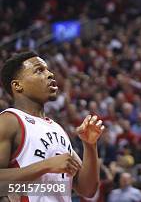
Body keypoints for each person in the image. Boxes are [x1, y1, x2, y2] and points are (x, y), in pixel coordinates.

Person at [0, 51, 105, 200]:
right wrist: (46, 166)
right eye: (39, 70)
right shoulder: (9, 120)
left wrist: (89, 145)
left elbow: (87, 189)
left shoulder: (56, 128)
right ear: (18, 85)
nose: (50, 74)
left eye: (48, 69)